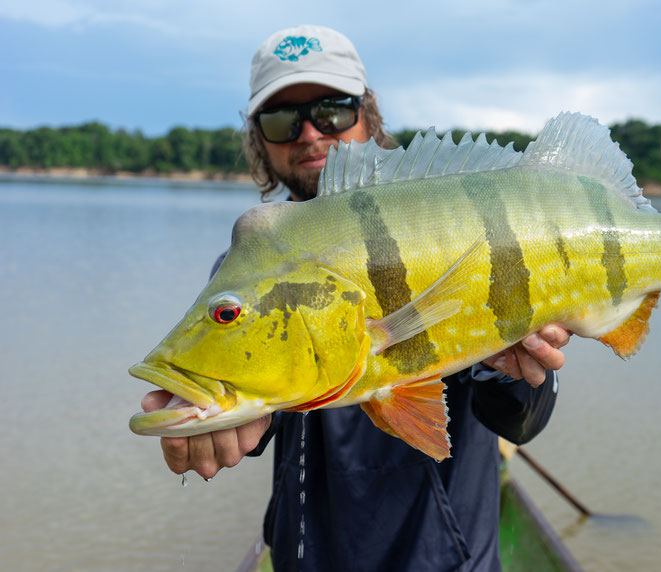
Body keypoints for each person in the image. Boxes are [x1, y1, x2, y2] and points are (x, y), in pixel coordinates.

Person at [142, 25, 571, 571]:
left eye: (333, 110)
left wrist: (515, 371)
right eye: (281, 119)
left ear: (369, 115)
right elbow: (258, 412)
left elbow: (523, 422)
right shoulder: (244, 270)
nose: (310, 134)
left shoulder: (448, 231)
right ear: (259, 139)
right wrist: (223, 424)